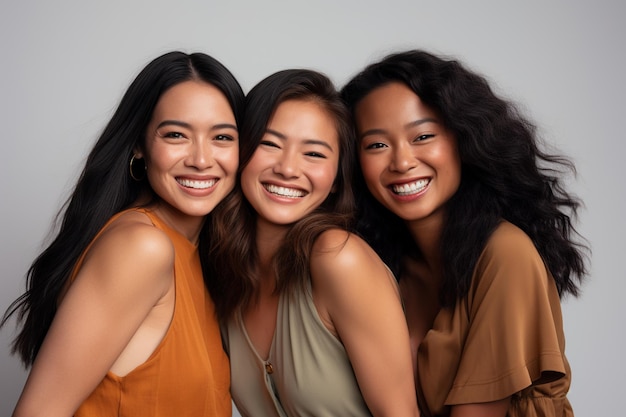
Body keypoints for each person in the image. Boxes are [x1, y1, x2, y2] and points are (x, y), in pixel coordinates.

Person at [341, 49, 588, 417]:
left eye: (422, 136)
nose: (402, 161)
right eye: (376, 144)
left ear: (463, 138)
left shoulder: (505, 254)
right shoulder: (384, 262)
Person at [1, 51, 244, 417]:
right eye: (176, 134)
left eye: (222, 137)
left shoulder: (200, 257)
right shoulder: (141, 247)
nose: (201, 159)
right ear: (139, 146)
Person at [205, 69, 419, 417]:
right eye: (269, 143)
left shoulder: (337, 258)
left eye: (315, 154)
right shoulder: (224, 275)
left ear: (336, 179)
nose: (288, 169)